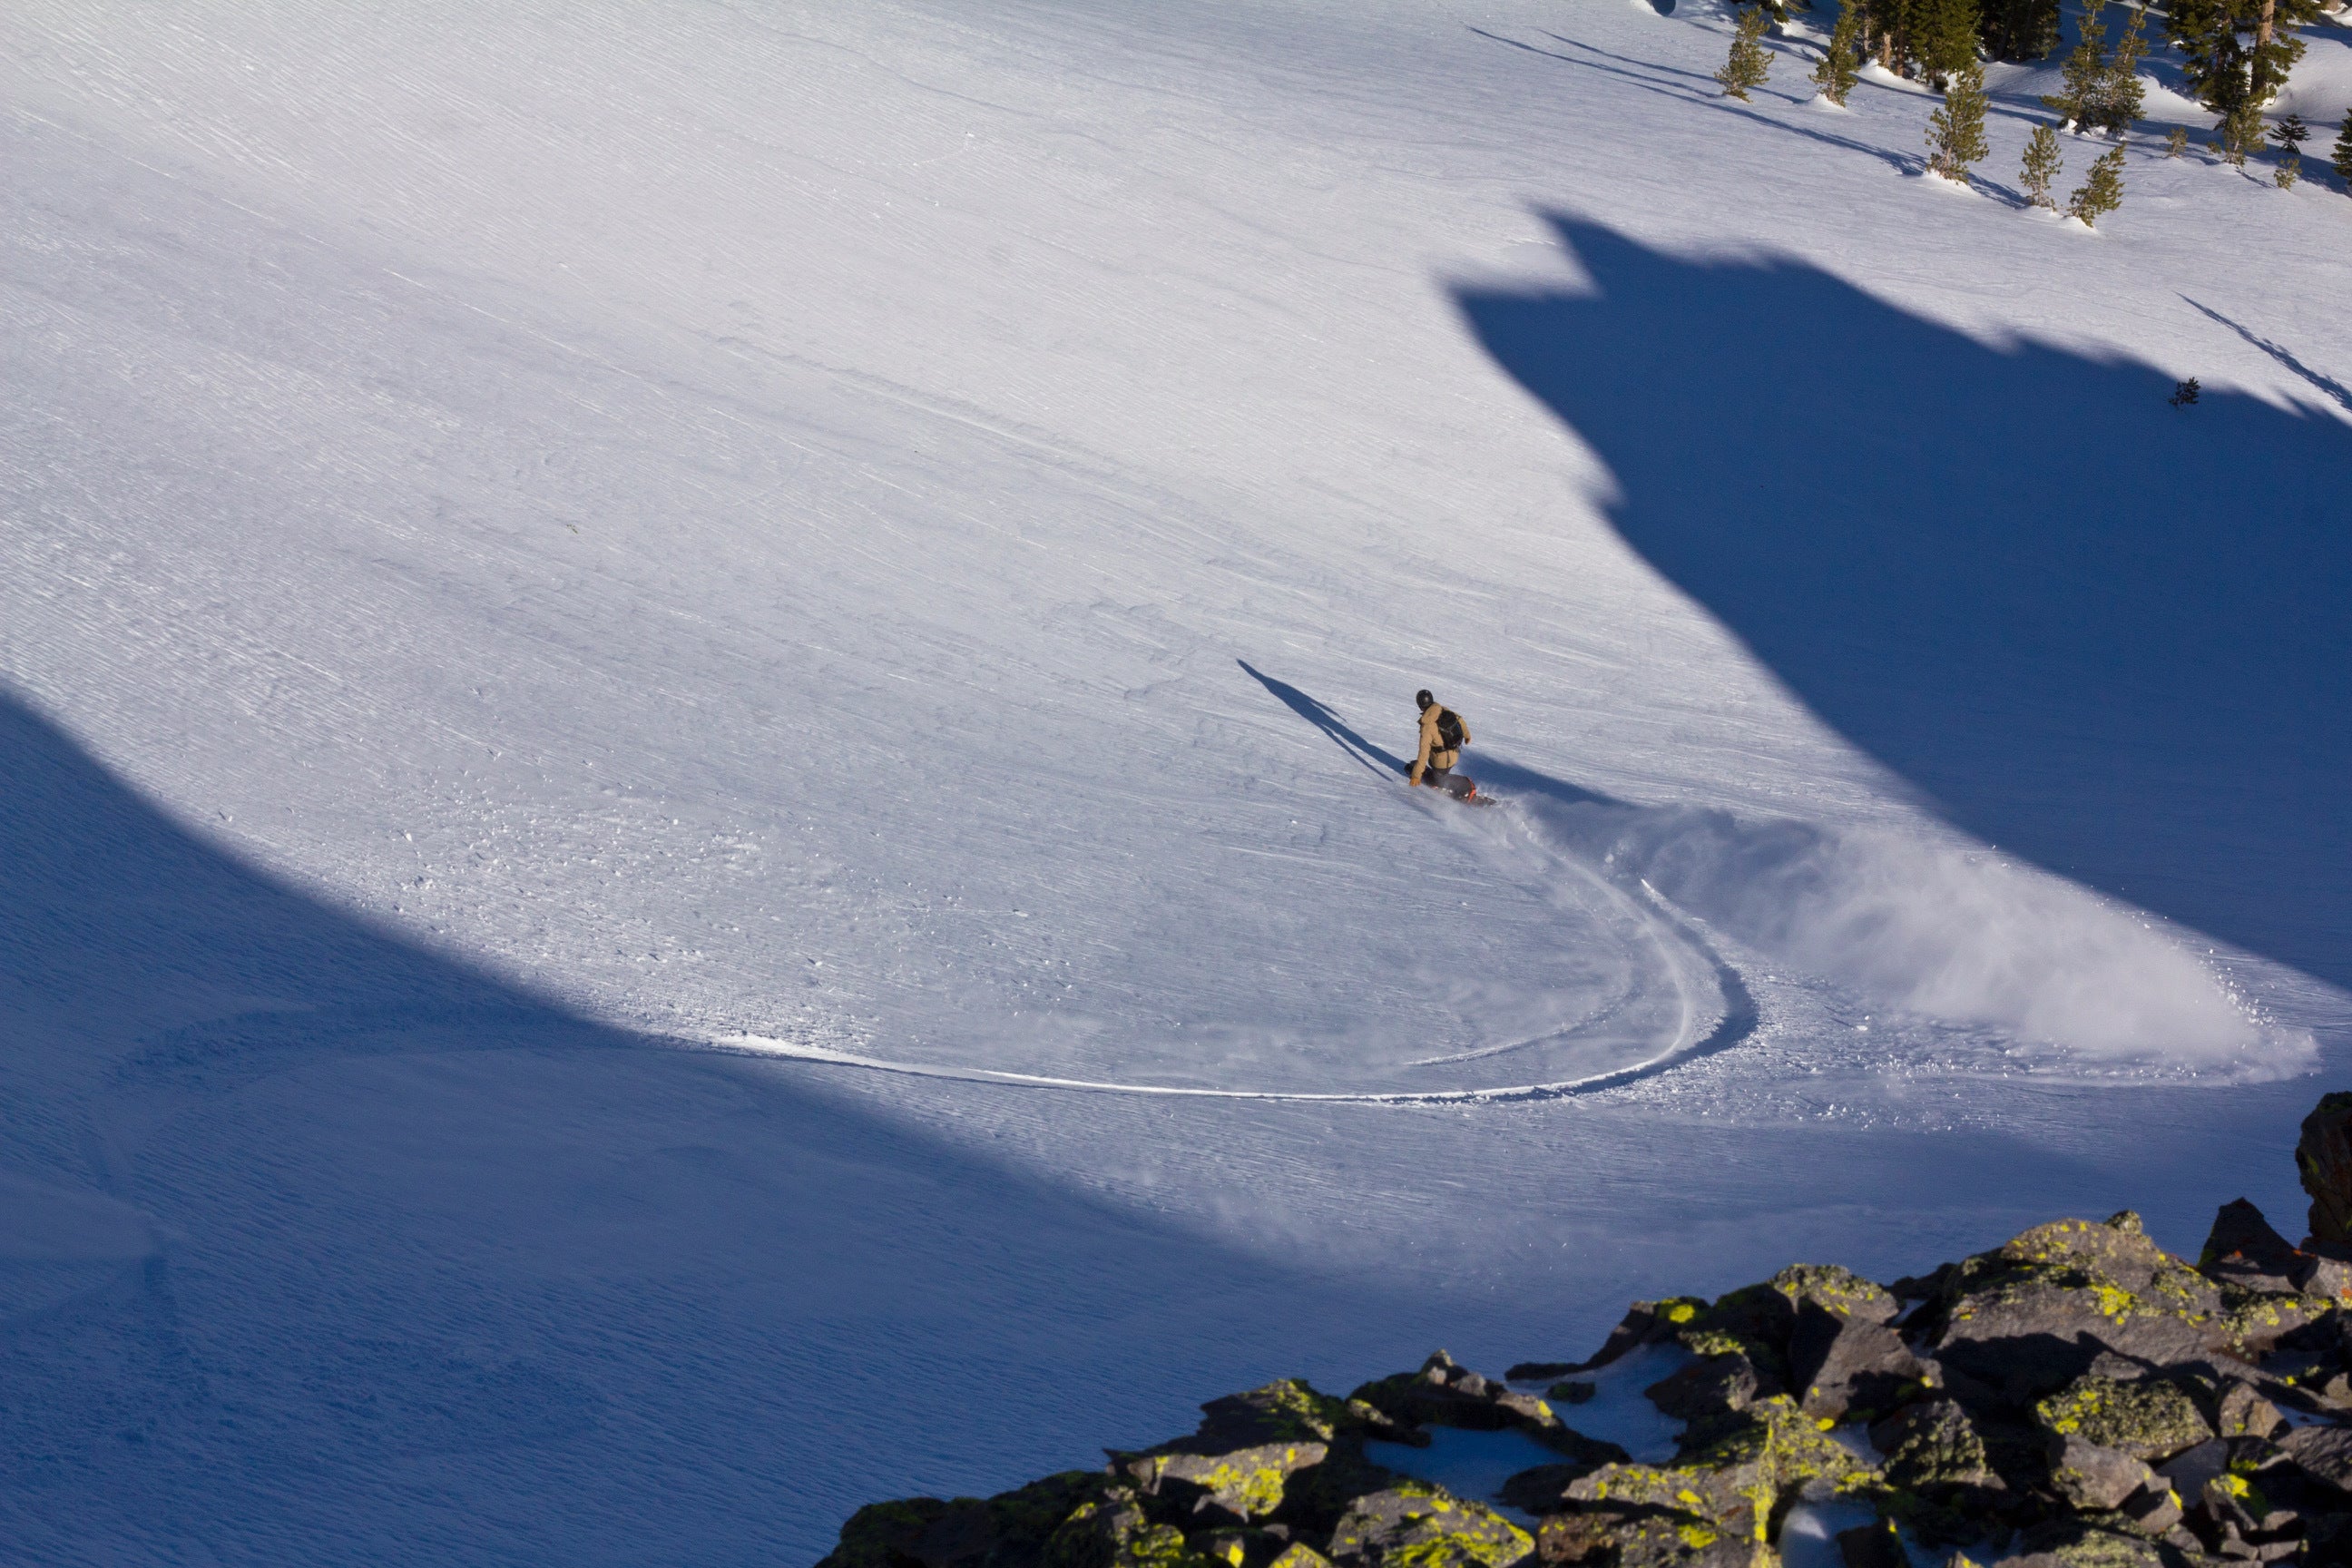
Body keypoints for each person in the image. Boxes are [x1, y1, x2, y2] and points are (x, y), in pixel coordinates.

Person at [1408, 690, 1475, 799]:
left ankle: (1466, 785)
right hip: (1454, 753)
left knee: (1438, 780)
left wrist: (1416, 776)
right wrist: (1467, 736)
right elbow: (1460, 720)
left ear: (1420, 706)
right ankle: (1433, 773)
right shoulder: (1441, 709)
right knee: (1439, 774)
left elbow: (1423, 752)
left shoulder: (1427, 726)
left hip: (1442, 760)